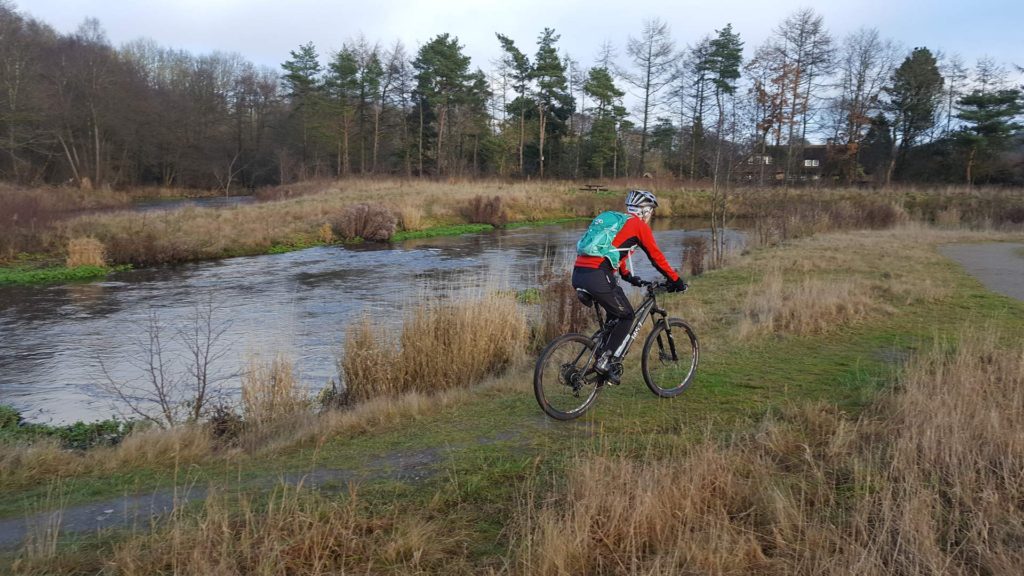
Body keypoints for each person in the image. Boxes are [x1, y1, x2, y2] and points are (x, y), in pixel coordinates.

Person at [571, 189, 687, 382]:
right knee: (627, 316)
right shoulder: (638, 226)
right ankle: (605, 361)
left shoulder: (620, 223)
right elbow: (656, 257)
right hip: (597, 274)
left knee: (614, 317)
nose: (651, 215)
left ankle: (602, 356)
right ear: (645, 211)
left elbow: (615, 251)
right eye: (651, 210)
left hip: (579, 274)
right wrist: (676, 281)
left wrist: (628, 276)